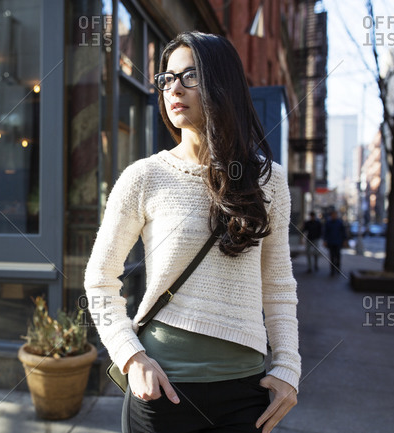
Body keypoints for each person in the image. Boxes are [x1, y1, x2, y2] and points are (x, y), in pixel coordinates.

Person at [84, 32, 300, 433]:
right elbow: (98, 280)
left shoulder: (268, 181)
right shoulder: (144, 177)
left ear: (223, 85)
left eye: (190, 76)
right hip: (162, 391)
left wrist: (289, 366)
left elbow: (278, 285)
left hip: (245, 392)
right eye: (166, 78)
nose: (174, 88)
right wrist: (131, 358)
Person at [323, 210, 347, 276]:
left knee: (338, 256)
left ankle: (338, 268)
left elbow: (343, 232)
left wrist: (344, 240)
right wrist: (325, 240)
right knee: (332, 257)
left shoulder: (339, 223)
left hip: (338, 242)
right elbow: (326, 233)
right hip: (331, 242)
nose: (334, 216)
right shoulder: (328, 223)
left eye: (335, 214)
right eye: (333, 215)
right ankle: (332, 270)